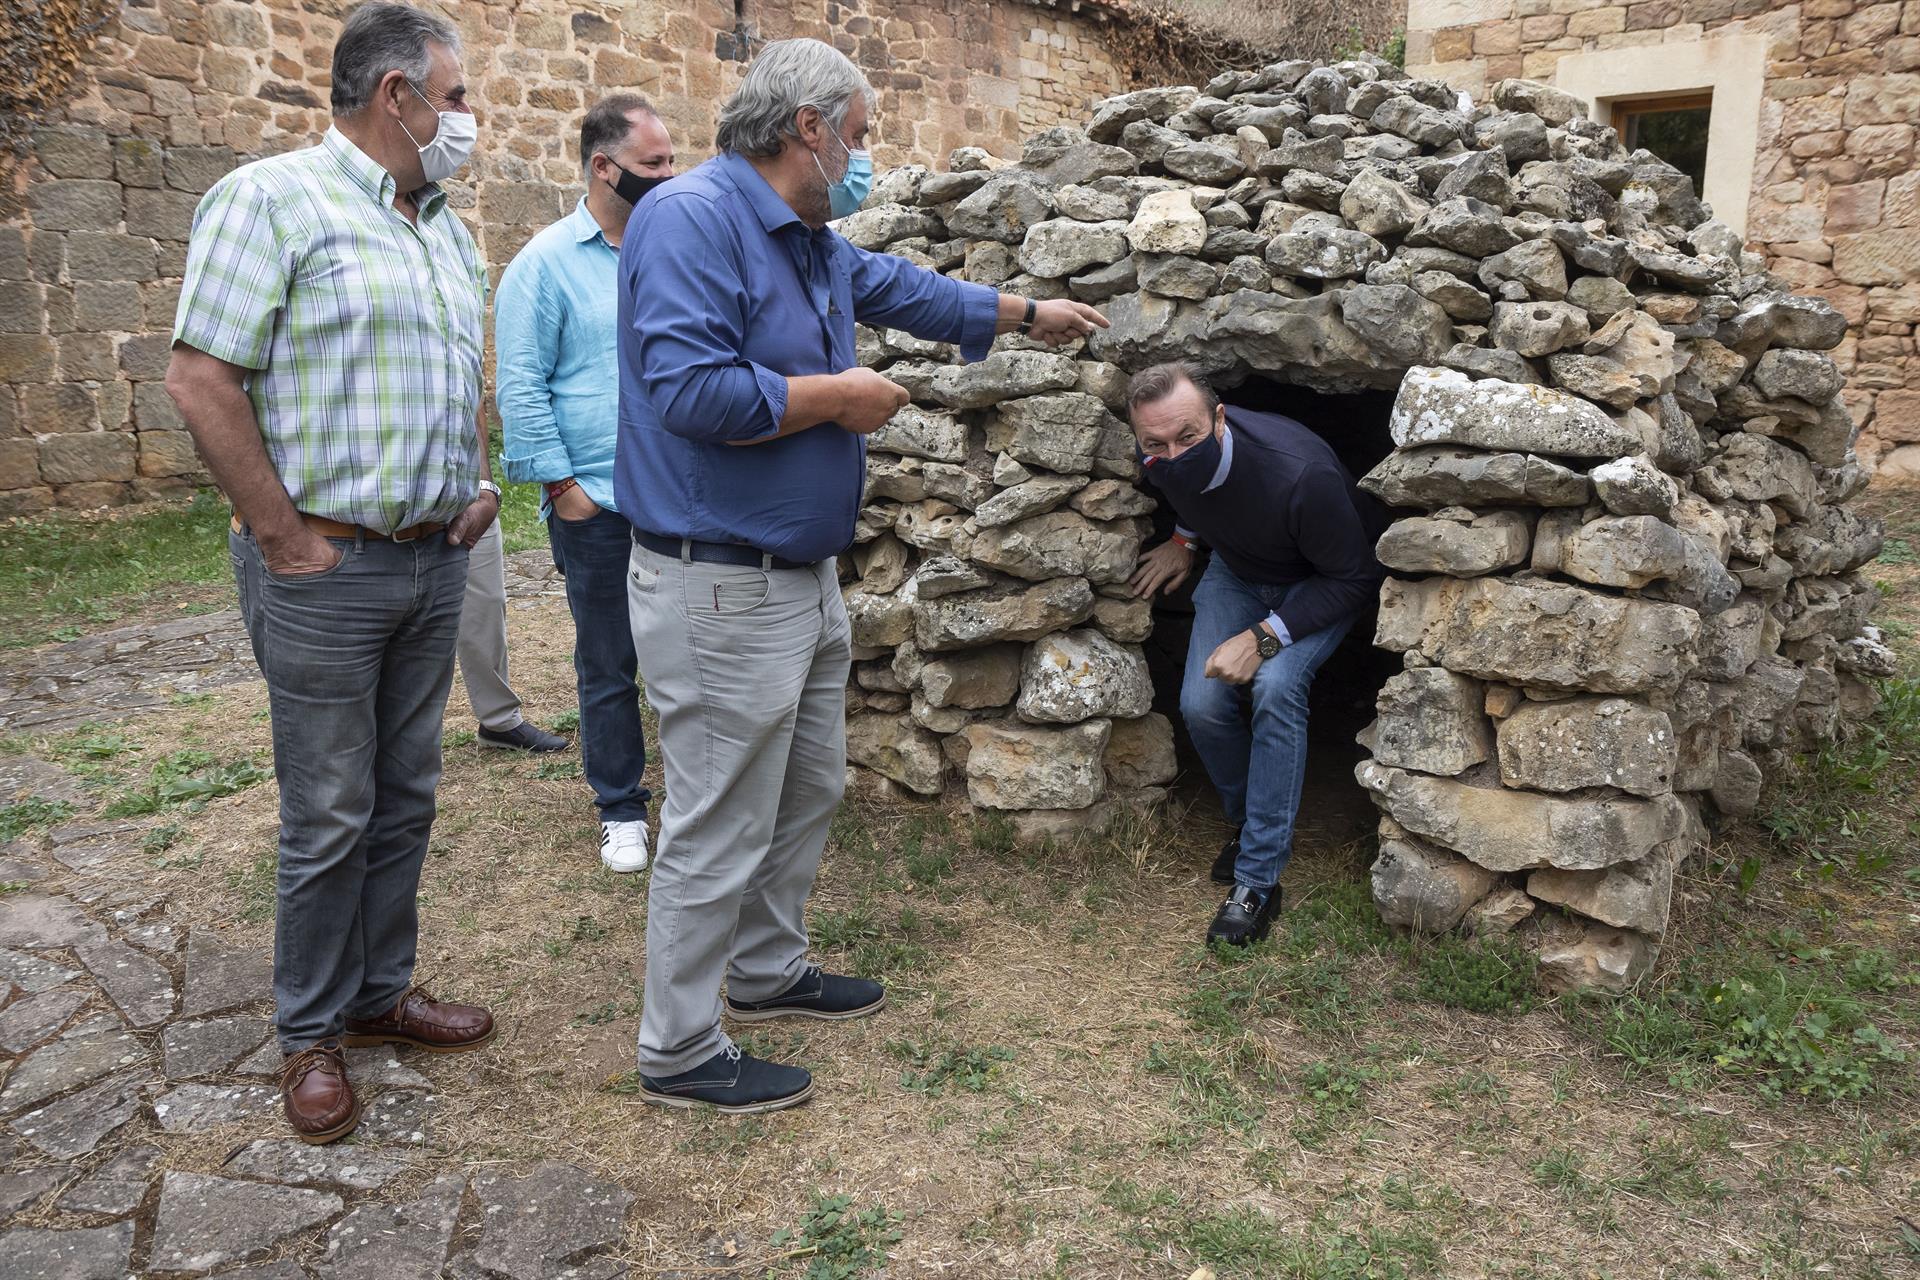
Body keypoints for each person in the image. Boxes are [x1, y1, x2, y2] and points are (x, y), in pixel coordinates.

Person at [618, 37, 1108, 1114]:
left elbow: (904, 288)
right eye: (865, 134)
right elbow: (691, 390)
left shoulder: (811, 240)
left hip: (798, 578)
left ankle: (765, 966)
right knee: (717, 815)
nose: (867, 156)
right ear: (810, 127)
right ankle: (678, 1044)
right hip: (718, 583)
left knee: (805, 786)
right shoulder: (691, 219)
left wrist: (1030, 313)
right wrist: (837, 397)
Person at [165, 2, 498, 1147]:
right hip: (325, 565)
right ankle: (309, 1032)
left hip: (431, 560)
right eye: (455, 97)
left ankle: (378, 991)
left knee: (405, 795)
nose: (469, 117)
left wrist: (479, 480)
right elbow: (201, 378)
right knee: (327, 811)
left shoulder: (446, 227)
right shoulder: (270, 198)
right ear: (396, 96)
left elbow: (451, 378)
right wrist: (281, 535)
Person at [1127, 362, 1386, 949]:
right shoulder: (1164, 454)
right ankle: (1250, 824)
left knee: (1274, 688)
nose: (1172, 453)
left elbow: (1355, 577)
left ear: (1221, 418)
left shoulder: (1300, 475)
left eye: (1187, 437)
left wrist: (1263, 637)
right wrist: (1181, 541)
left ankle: (1258, 879)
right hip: (1239, 571)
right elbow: (1195, 488)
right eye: (1155, 444)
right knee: (1201, 702)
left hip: (1319, 581)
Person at [497, 93, 675, 871]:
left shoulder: (678, 249)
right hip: (596, 502)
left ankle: (699, 795)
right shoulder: (542, 265)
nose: (671, 176)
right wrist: (564, 490)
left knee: (690, 656)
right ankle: (620, 806)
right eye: (655, 164)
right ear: (604, 168)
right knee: (608, 660)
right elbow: (521, 386)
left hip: (679, 494)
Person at [455, 521, 570, 754]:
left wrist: (486, 494)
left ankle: (500, 722)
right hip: (387, 523)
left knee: (486, 608)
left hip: (471, 503)